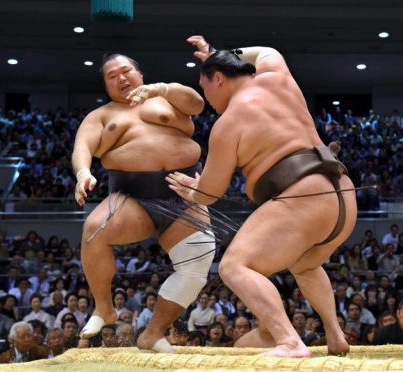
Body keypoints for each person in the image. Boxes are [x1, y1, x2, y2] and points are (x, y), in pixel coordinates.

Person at [167, 35, 357, 358]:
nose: (207, 98)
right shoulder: (277, 77)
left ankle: (289, 341)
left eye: (206, 86)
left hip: (303, 196)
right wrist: (218, 53)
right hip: (343, 193)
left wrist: (191, 190)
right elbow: (269, 50)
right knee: (305, 264)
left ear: (219, 78)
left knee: (234, 266)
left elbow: (210, 192)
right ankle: (335, 335)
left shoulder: (228, 124)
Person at [72, 51, 216, 353]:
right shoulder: (102, 115)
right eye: (112, 76)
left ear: (139, 73)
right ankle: (104, 309)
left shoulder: (167, 97)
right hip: (133, 197)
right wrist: (83, 172)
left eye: (126, 71)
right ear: (106, 86)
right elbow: (83, 145)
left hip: (184, 193)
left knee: (197, 262)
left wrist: (162, 89)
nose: (121, 78)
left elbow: (198, 104)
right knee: (95, 230)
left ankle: (154, 333)